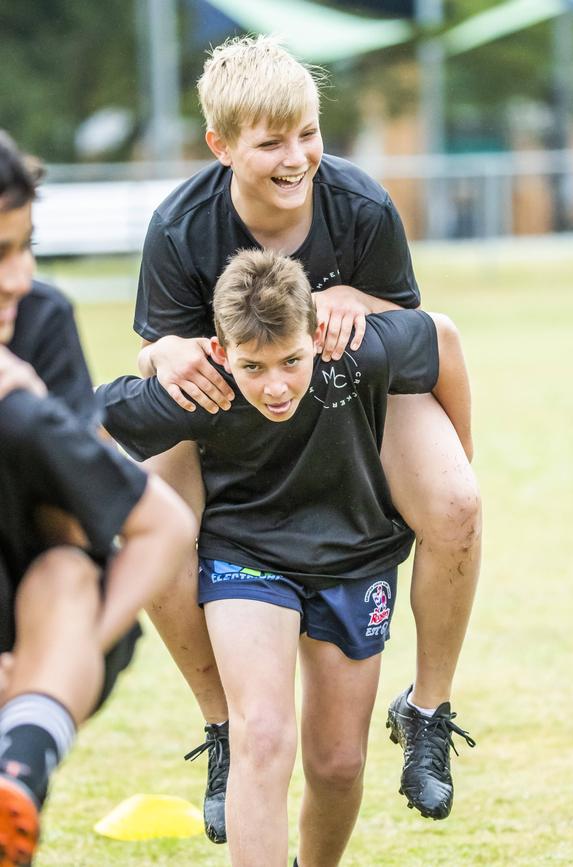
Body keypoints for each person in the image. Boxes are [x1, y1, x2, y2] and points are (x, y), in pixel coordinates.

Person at [134, 35, 482, 839]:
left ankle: (427, 709)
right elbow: (161, 355)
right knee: (147, 519)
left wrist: (362, 299)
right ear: (221, 146)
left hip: (352, 387)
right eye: (271, 143)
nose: (298, 159)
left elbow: (417, 337)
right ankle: (224, 724)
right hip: (233, 408)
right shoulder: (181, 229)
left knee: (459, 502)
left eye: (308, 133)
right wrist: (164, 349)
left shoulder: (360, 205)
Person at [98, 248, 476, 867]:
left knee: (337, 764)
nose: (275, 385)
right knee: (263, 737)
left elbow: (444, 340)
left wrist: (460, 455)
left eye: (291, 361)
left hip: (354, 555)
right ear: (220, 352)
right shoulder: (199, 389)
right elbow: (75, 423)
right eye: (253, 366)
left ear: (316, 335)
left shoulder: (360, 349)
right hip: (246, 558)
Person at [0, 131, 198, 867]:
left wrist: (33, 666)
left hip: (42, 620)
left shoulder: (39, 329)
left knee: (67, 569)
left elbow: (98, 532)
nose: (19, 277)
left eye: (25, 247)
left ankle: (19, 763)